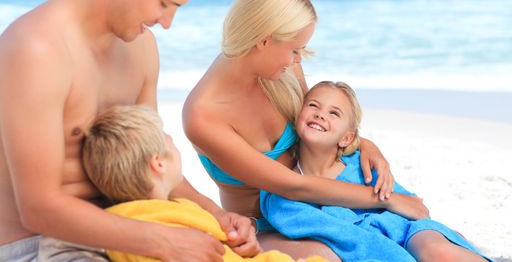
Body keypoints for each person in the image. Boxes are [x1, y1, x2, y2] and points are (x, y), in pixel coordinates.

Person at [0, 0, 257, 261]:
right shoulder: (36, 49)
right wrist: (164, 241)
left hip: (133, 227)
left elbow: (153, 160)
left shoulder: (141, 49)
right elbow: (38, 207)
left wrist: (217, 215)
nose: (166, 23)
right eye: (165, 4)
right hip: (41, 245)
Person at [182, 0, 428, 261]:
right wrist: (388, 200)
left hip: (324, 207)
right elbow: (291, 184)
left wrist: (366, 145)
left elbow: (320, 122)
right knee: (330, 255)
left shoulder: (280, 69)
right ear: (264, 40)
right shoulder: (203, 115)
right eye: (295, 49)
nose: (298, 60)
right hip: (264, 228)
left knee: (412, 241)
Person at [38, 104, 323, 262]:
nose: (173, 140)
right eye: (166, 137)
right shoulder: (184, 214)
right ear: (158, 163)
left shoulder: (118, 225)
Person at [260, 81, 491, 262]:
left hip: (408, 231)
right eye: (313, 105)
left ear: (347, 138)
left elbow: (416, 209)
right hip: (368, 249)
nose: (320, 114)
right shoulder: (282, 191)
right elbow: (344, 238)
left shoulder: (362, 165)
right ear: (297, 116)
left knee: (439, 252)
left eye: (334, 113)